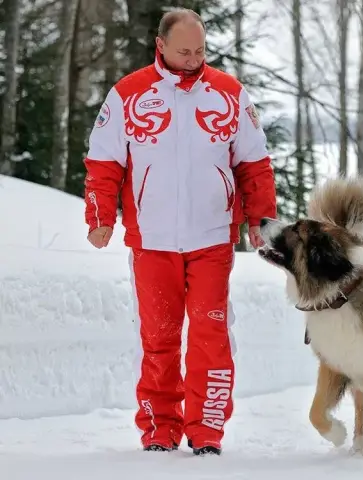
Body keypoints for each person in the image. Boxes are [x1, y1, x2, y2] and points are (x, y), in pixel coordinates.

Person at [82, 8, 277, 456]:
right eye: (184, 51)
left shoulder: (229, 94)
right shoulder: (128, 94)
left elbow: (254, 163)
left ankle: (207, 429)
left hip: (211, 238)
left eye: (200, 51)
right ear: (161, 46)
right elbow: (104, 162)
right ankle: (159, 427)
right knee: (159, 337)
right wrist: (101, 216)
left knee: (211, 334)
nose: (193, 59)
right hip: (152, 241)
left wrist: (260, 220)